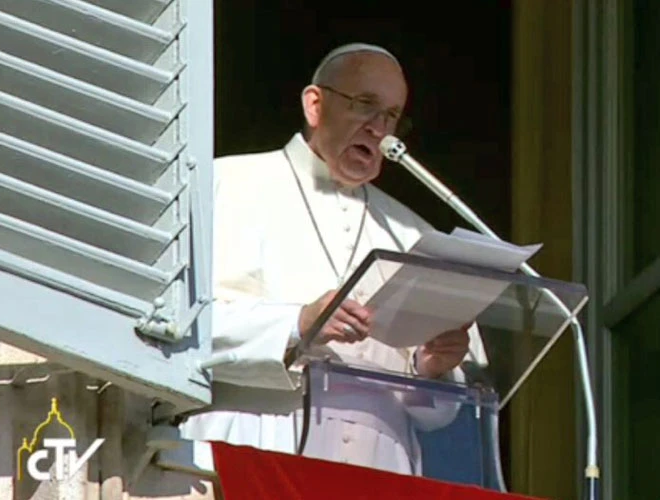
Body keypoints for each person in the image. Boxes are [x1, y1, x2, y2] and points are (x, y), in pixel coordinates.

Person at [180, 43, 486, 476]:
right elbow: (179, 330)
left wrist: (431, 368)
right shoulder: (224, 184)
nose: (381, 129)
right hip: (257, 443)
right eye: (366, 105)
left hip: (382, 467)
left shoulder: (414, 233)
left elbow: (442, 414)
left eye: (393, 116)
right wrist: (298, 323)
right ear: (315, 105)